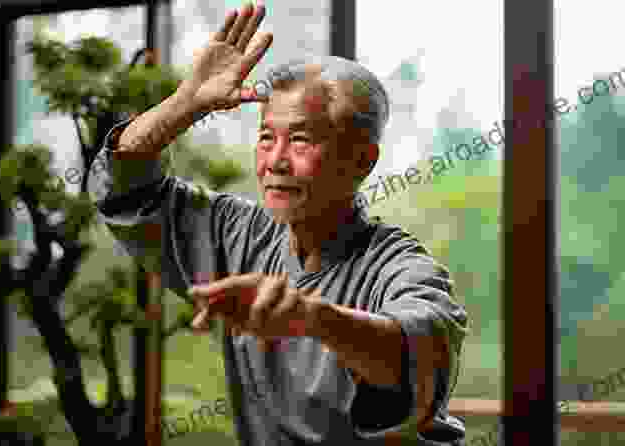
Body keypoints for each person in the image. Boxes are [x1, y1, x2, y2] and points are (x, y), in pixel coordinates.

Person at [86, 2, 469, 444]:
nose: (275, 162)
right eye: (267, 137)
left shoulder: (401, 267)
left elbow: (415, 355)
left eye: (301, 140)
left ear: (362, 160)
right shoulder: (239, 235)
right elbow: (122, 187)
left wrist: (310, 316)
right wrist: (184, 103)